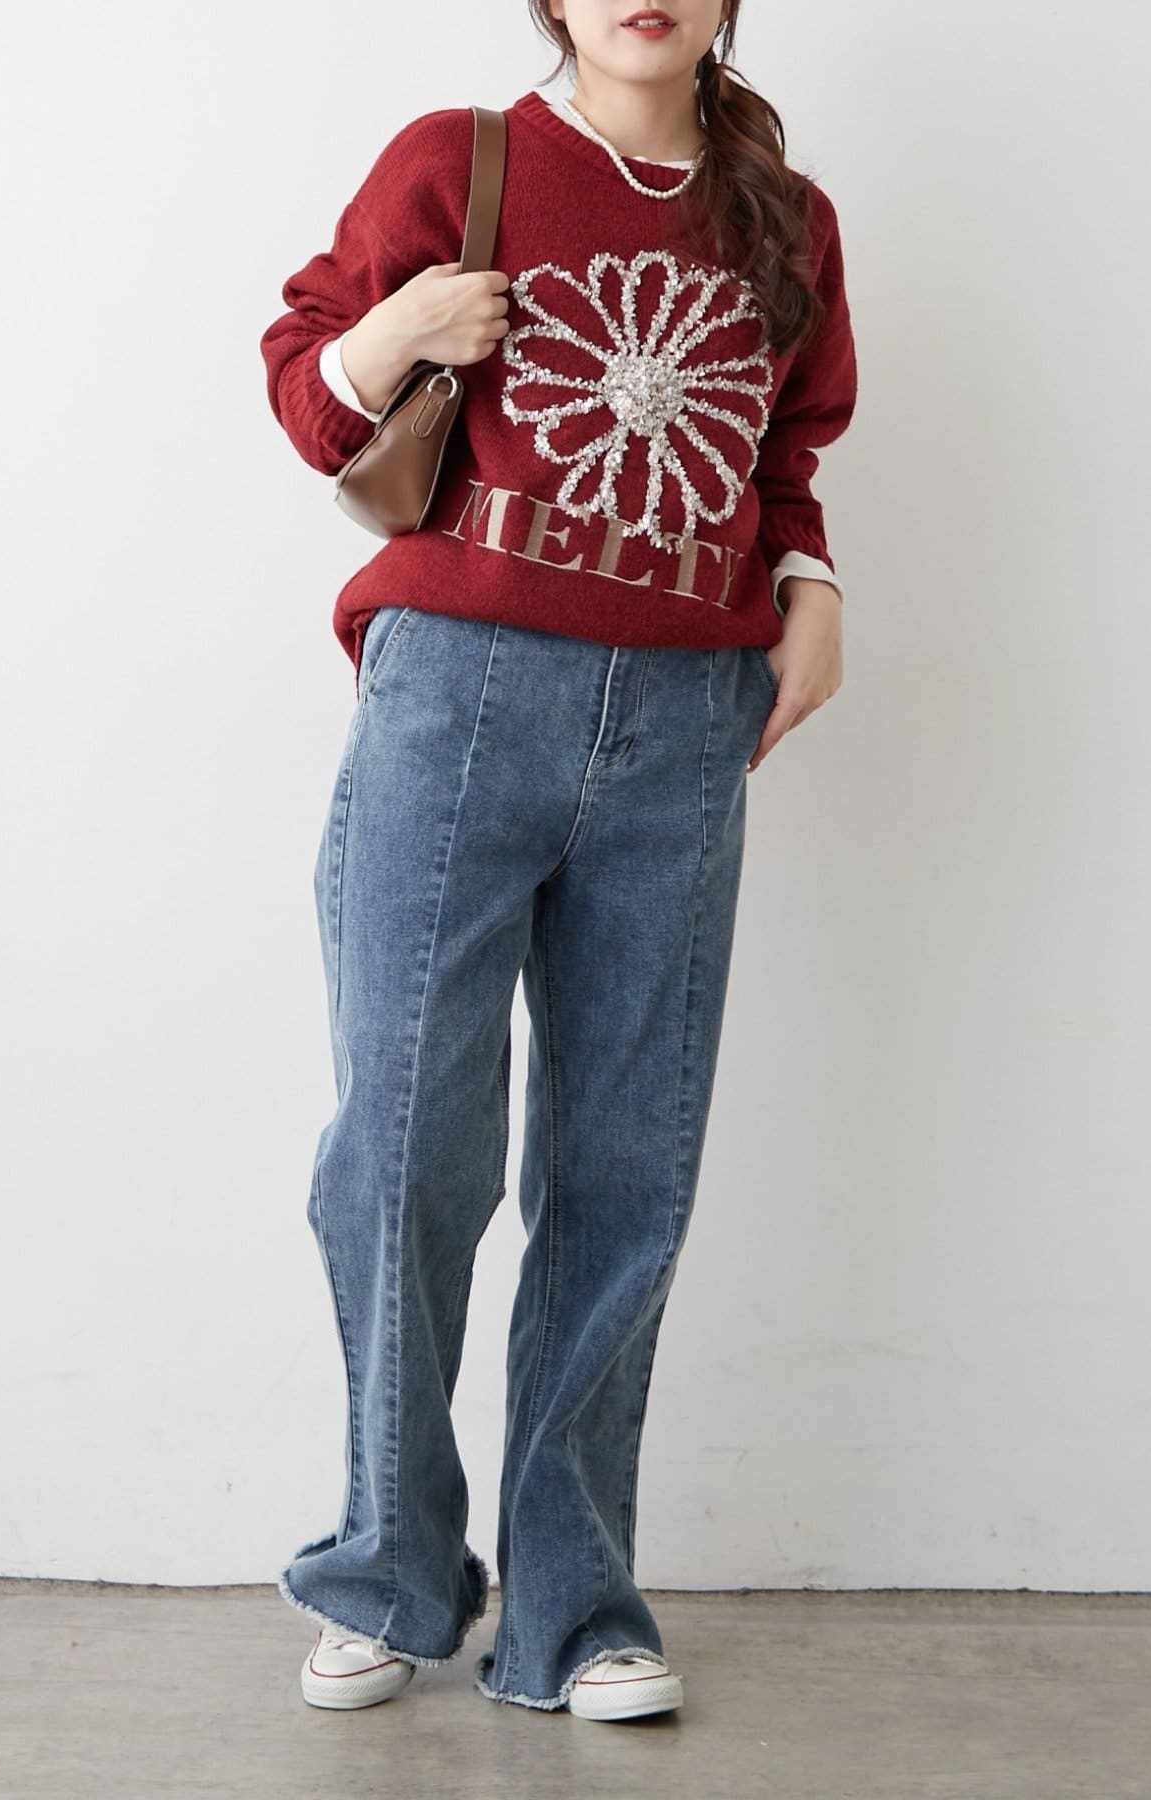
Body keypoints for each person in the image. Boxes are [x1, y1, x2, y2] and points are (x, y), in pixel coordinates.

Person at [257, 0, 857, 1724]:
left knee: (625, 1171)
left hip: (687, 718)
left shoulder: (784, 216)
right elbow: (307, 388)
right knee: (401, 1149)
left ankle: (574, 1608)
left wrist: (814, 586)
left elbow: (784, 454)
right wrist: (398, 332)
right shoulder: (462, 161)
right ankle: (387, 1567)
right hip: (460, 693)